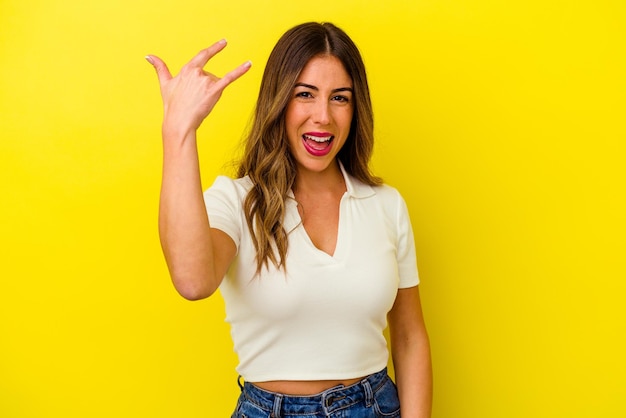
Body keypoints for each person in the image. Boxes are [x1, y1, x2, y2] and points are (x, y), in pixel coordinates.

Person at [146, 22, 432, 418]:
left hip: (374, 405)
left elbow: (409, 336)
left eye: (340, 98)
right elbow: (193, 282)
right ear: (279, 101)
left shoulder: (385, 204)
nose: (323, 117)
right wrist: (178, 130)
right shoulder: (237, 200)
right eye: (305, 94)